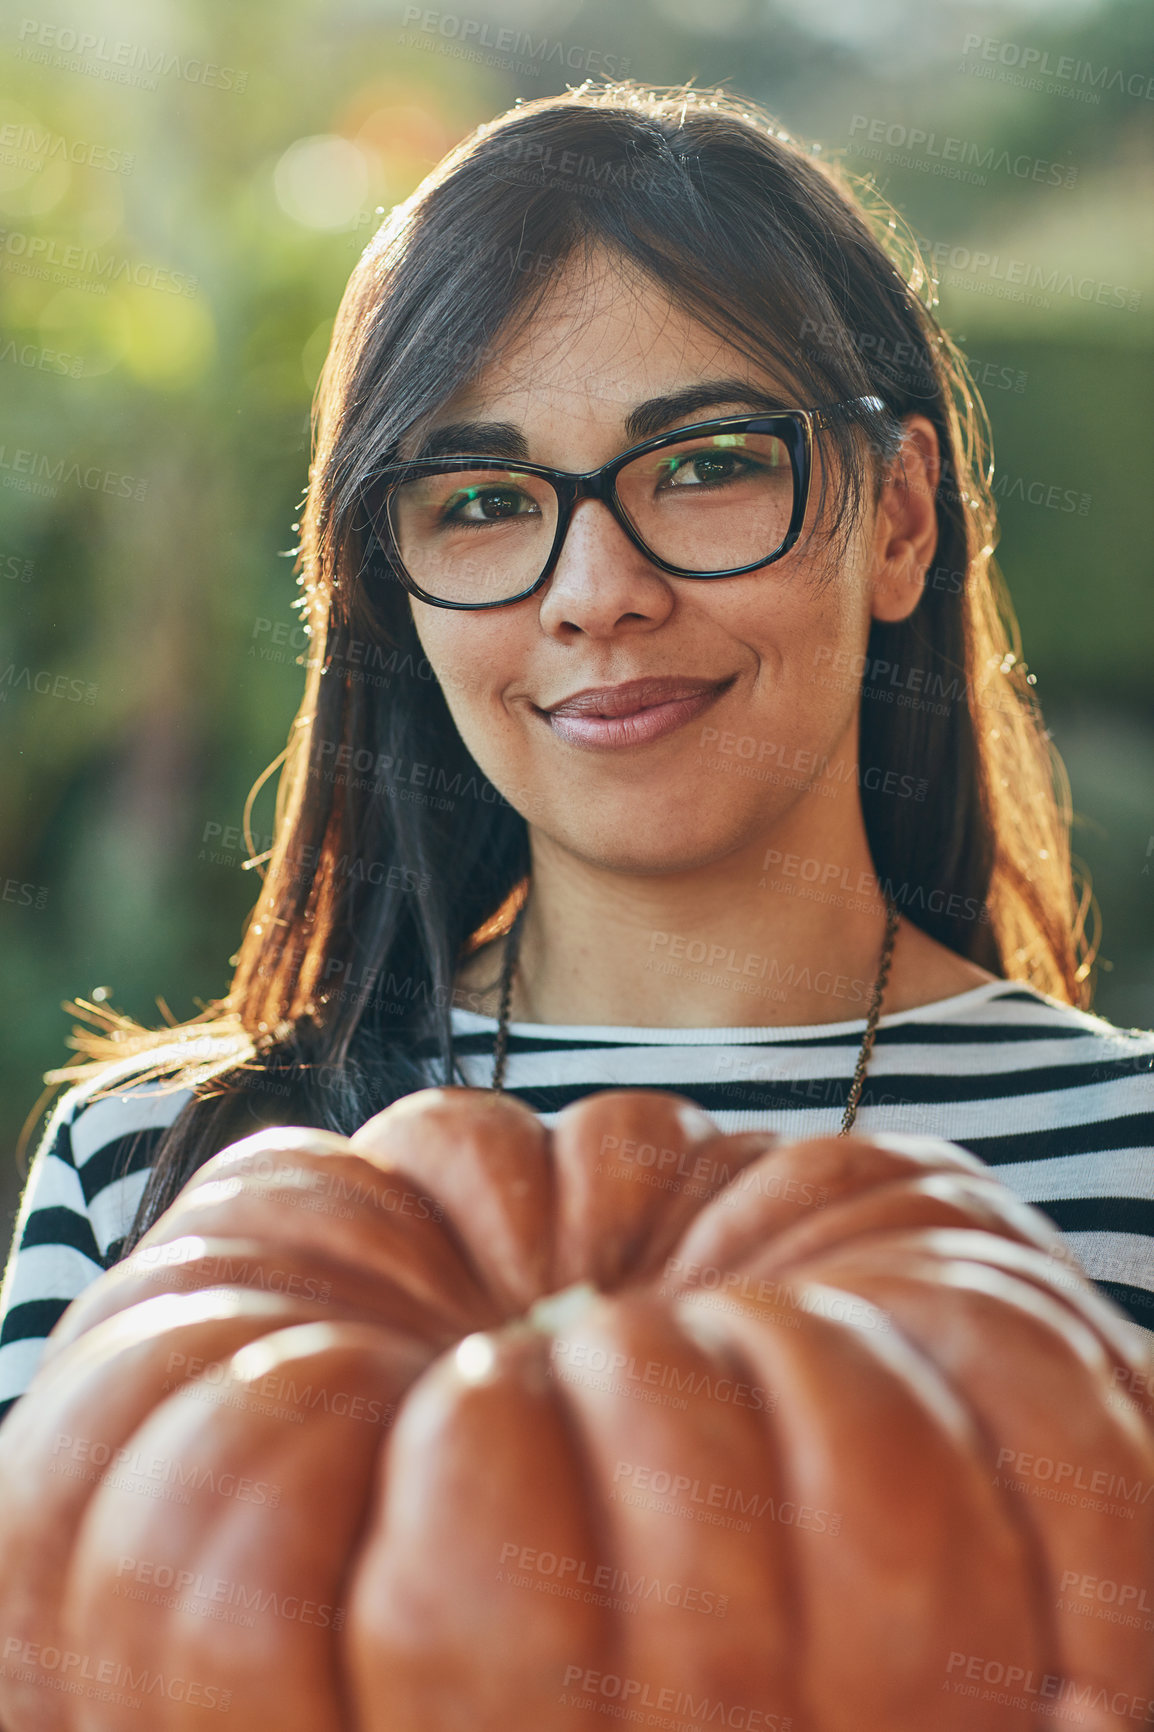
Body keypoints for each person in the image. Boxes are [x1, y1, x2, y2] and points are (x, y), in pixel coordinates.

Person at [2, 80, 1151, 1428]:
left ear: (899, 519)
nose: (594, 591)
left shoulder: (1126, 1162)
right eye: (484, 501)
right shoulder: (154, 1174)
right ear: (394, 585)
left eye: (708, 464)